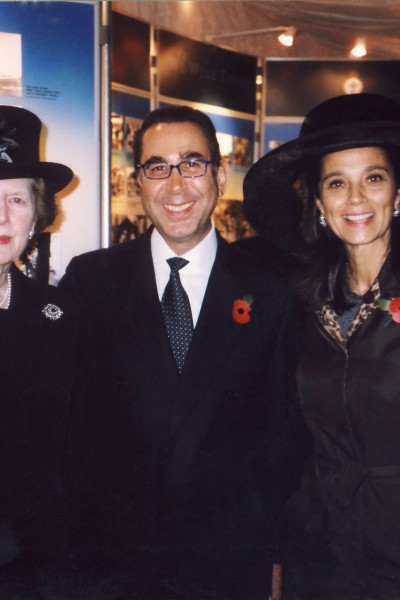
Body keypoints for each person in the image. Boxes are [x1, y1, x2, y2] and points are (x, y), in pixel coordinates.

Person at [59, 105, 309, 600]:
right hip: (112, 567)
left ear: (219, 176)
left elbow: (285, 438)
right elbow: (68, 428)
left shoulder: (274, 290)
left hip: (226, 563)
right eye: (158, 167)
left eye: (192, 163)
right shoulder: (91, 281)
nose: (176, 186)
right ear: (138, 182)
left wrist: (275, 557)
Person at [244, 92, 400, 599]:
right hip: (321, 552)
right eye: (337, 183)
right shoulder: (301, 304)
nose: (356, 199)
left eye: (373, 178)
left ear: (397, 194)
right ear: (317, 201)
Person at [0, 105, 92, 598]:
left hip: (36, 570)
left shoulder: (61, 316)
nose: (1, 216)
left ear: (37, 215)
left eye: (16, 198)